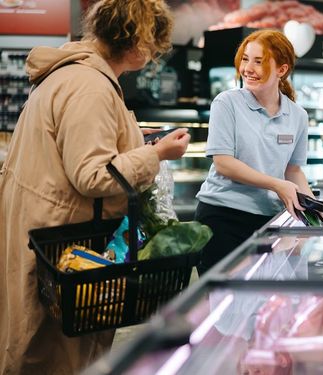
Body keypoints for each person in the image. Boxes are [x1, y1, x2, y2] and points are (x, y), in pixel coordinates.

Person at [0, 1, 190, 373]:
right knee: (52, 352)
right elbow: (93, 175)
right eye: (153, 44)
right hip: (61, 237)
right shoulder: (91, 87)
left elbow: (80, 148)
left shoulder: (76, 74)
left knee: (36, 342)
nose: (153, 55)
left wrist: (135, 140)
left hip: (42, 225)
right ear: (135, 41)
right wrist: (158, 155)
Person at [195, 29, 313, 274]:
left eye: (258, 61)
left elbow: (293, 171)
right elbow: (224, 163)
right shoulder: (226, 103)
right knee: (224, 300)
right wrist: (276, 185)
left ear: (281, 70)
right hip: (222, 217)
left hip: (269, 221)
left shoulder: (298, 116)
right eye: (245, 59)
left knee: (261, 301)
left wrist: (313, 207)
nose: (247, 68)